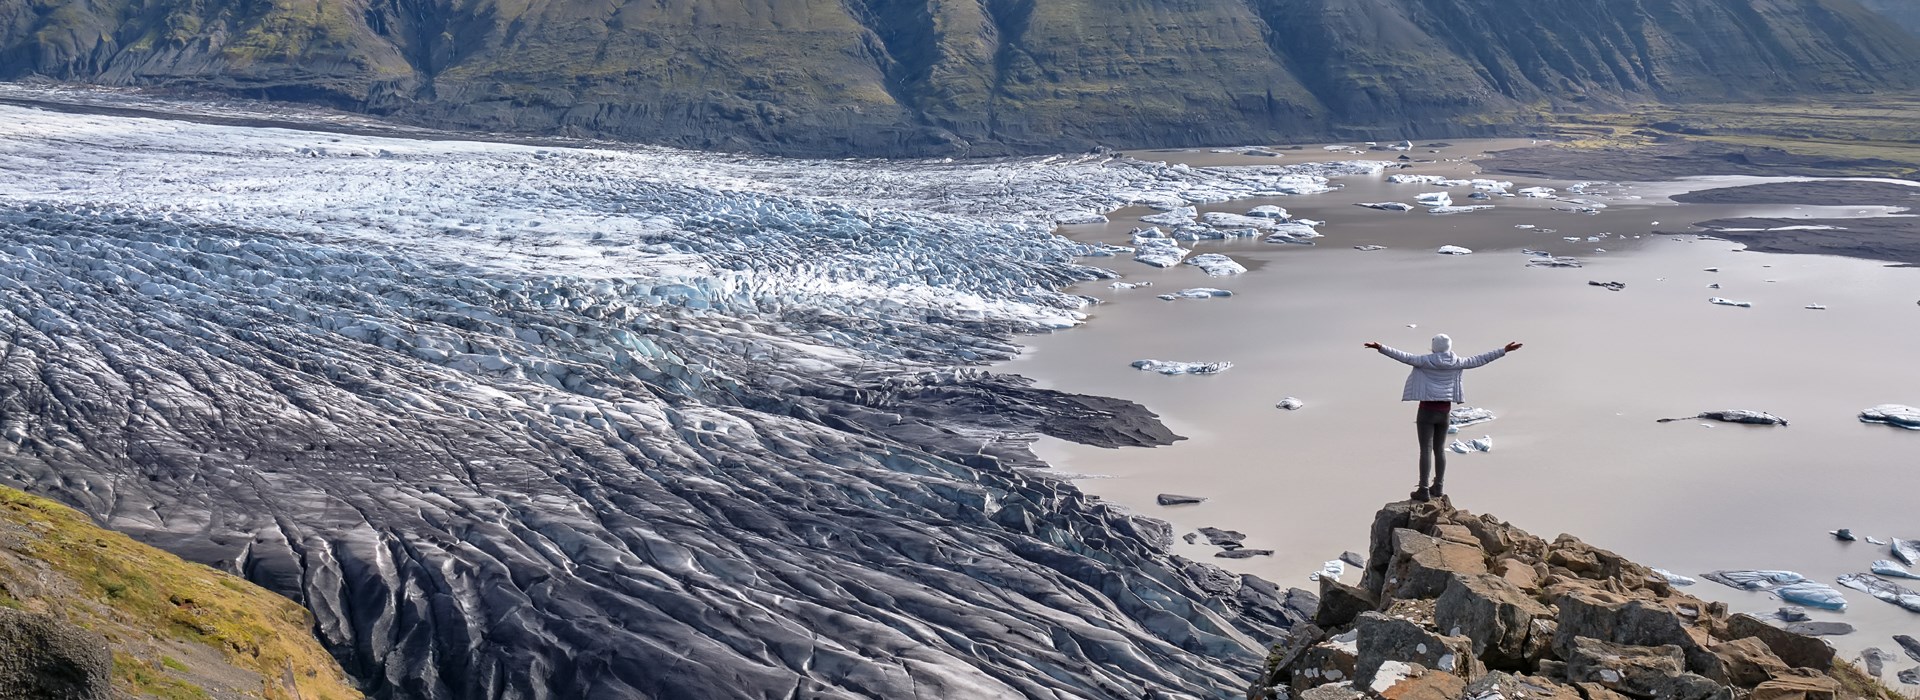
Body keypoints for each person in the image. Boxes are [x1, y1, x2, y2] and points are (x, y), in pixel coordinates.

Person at [1362, 335, 1522, 502]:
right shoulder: (1457, 361)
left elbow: (1403, 356)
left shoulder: (1424, 361)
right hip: (1444, 413)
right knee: (1439, 450)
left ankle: (1423, 489)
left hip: (1426, 412)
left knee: (1425, 449)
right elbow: (1480, 359)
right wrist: (1504, 350)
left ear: (1434, 347)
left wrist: (1380, 347)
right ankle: (1438, 487)